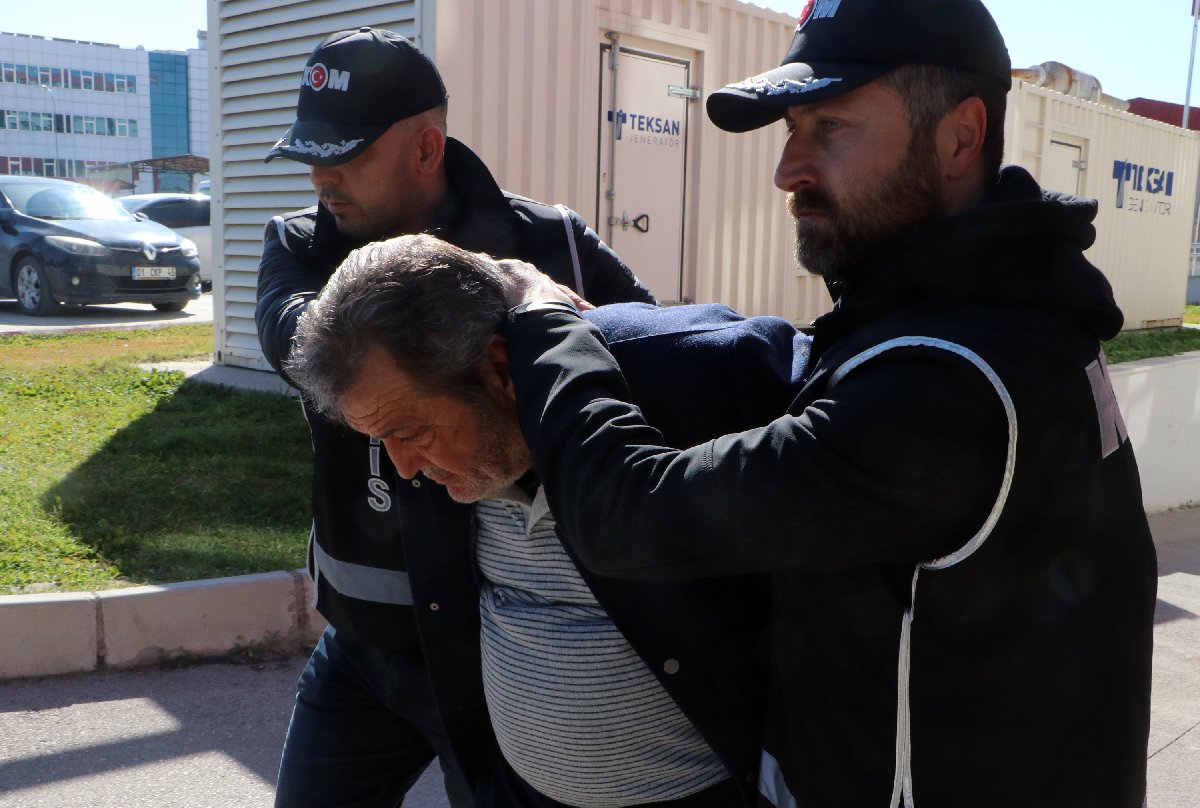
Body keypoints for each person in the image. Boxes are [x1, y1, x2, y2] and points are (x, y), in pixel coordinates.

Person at [496, 1, 1159, 806]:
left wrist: (548, 326)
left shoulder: (942, 384)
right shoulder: (1022, 310)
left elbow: (629, 514)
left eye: (832, 127)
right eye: (791, 129)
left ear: (961, 136)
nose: (788, 170)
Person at [254, 27, 654, 808]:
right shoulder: (300, 244)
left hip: (496, 648)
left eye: (344, 154)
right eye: (310, 154)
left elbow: (651, 356)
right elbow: (302, 344)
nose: (321, 177)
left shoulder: (554, 241)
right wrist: (499, 293)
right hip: (361, 651)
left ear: (426, 147)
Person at [283, 233, 813, 806]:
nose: (404, 468)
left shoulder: (695, 369)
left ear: (498, 368)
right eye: (382, 439)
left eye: (410, 433)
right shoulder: (436, 431)